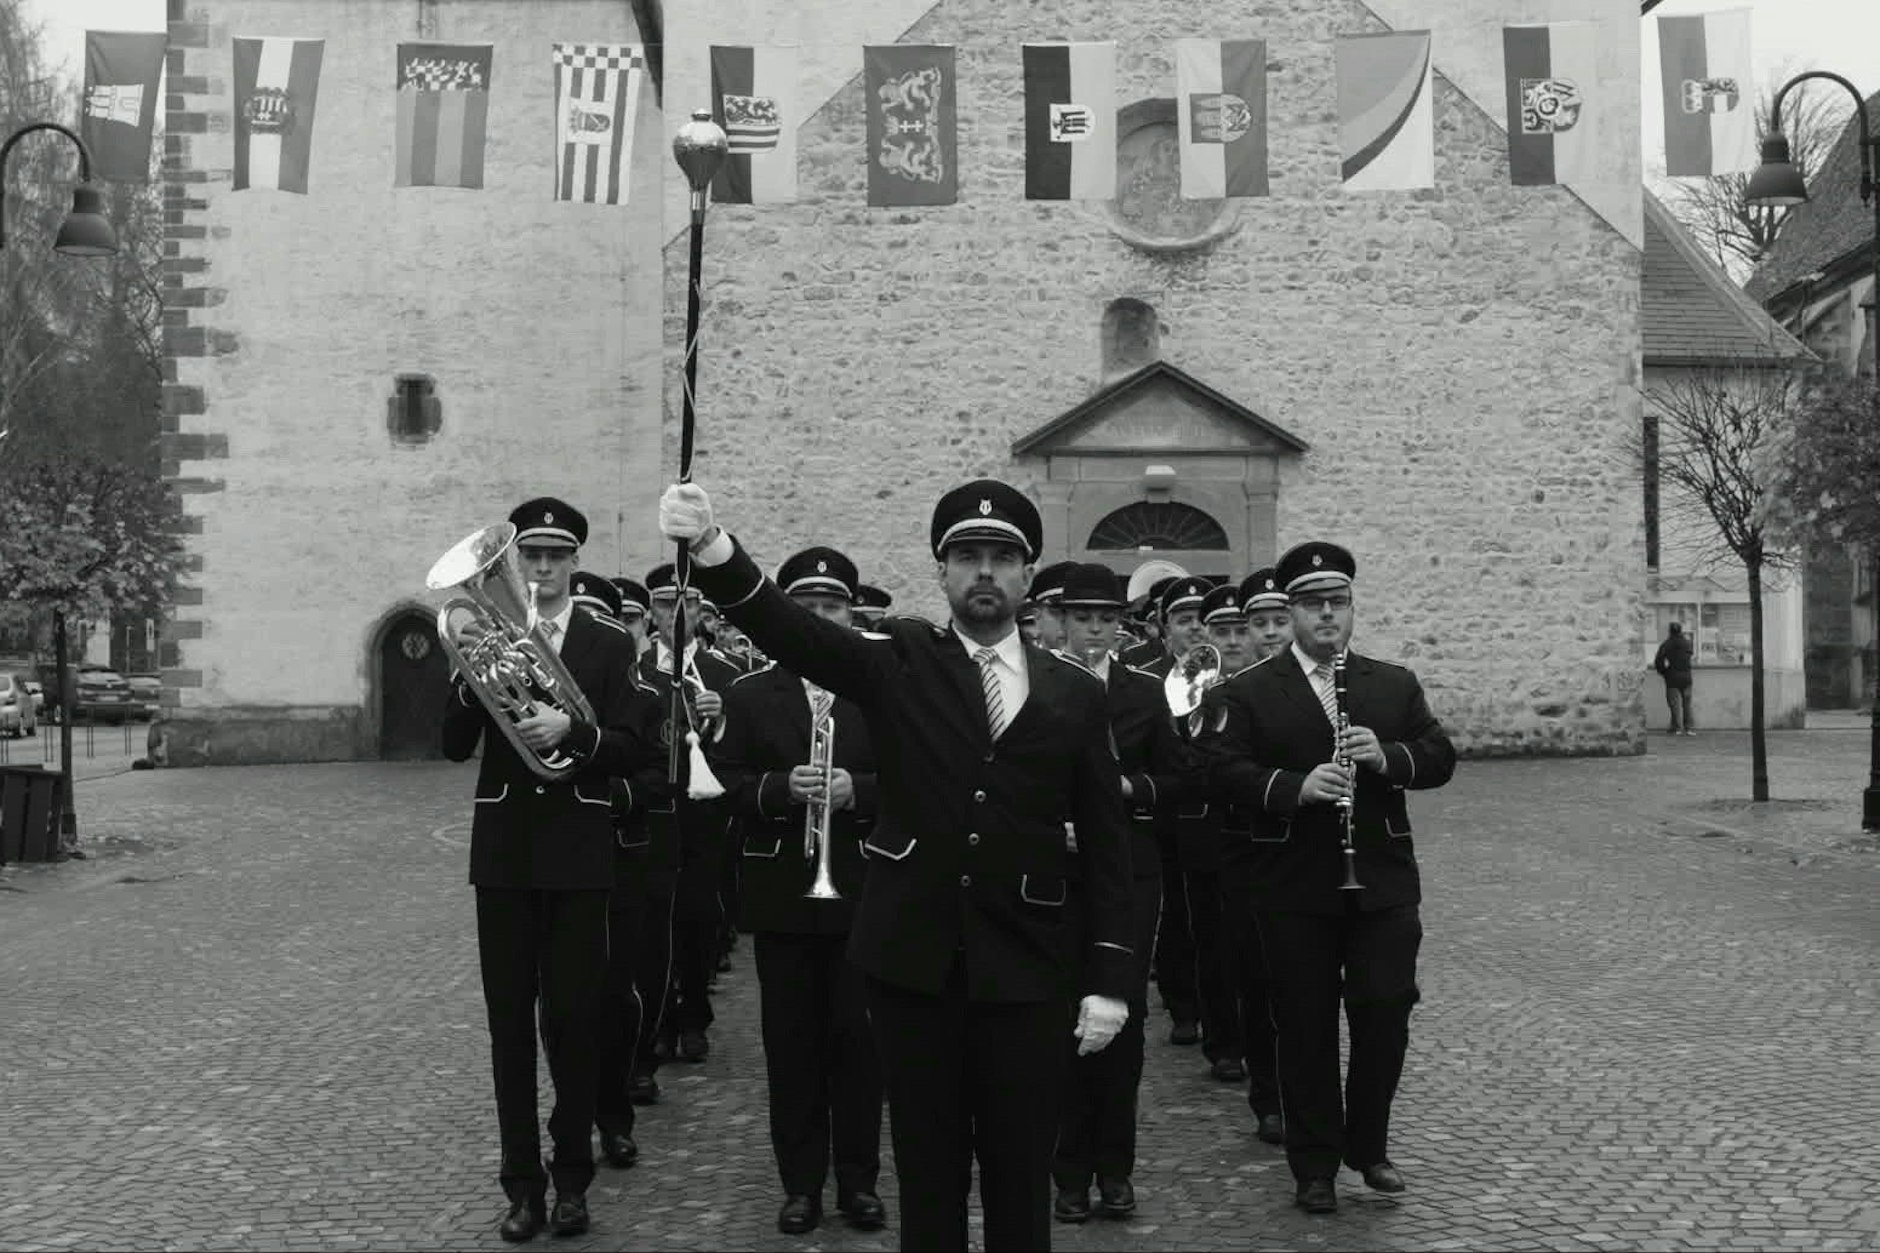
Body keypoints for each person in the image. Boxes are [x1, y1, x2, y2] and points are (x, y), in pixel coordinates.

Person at [660, 477, 1135, 1253]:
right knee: (928, 1175)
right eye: (968, 557)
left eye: (1002, 558)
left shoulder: (1076, 693)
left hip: (1029, 966)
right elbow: (791, 632)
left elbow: (1110, 845)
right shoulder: (901, 660)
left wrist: (1110, 977)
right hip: (916, 967)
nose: (984, 572)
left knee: (1021, 1177)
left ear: (1027, 577)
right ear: (942, 573)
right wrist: (714, 548)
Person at [1203, 541, 1455, 1215]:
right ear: (1290, 612)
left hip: (1382, 880)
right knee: (1306, 1026)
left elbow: (1438, 755)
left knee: (1385, 1008)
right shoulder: (1247, 691)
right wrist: (1292, 785)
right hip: (1293, 885)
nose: (1326, 616)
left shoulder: (1391, 683)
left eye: (1336, 602)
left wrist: (1388, 754)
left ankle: (1368, 1144)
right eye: (1312, 604)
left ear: (1350, 608)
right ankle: (1313, 1163)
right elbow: (1220, 768)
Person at [440, 498, 657, 1242]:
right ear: (513, 564)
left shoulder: (602, 639)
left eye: (553, 557)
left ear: (573, 563)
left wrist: (577, 729)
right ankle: (521, 1187)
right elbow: (449, 743)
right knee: (509, 1026)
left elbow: (636, 743)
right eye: (527, 558)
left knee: (572, 1019)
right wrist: (471, 683)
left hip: (577, 850)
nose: (539, 569)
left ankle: (571, 1180)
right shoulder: (481, 635)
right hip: (503, 852)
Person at [712, 546, 887, 1236]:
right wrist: (780, 788)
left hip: (865, 891)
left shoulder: (880, 692)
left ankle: (859, 1183)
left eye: (831, 608)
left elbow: (922, 784)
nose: (818, 619)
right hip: (784, 895)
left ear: (852, 614)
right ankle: (801, 1185)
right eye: (804, 609)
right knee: (790, 1048)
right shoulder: (749, 695)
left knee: (860, 1046)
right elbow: (716, 786)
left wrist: (860, 790)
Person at [1049, 563, 1182, 1224]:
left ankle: (1115, 1169)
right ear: (1063, 621)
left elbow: (1180, 779)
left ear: (1122, 625)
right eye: (1082, 618)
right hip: (1060, 873)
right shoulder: (1039, 685)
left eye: (1106, 618)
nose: (1095, 629)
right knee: (1063, 1019)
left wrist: (1131, 792)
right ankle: (1067, 1171)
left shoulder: (1146, 690)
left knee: (1122, 1019)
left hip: (1130, 871)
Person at [641, 563, 742, 1065]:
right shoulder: (635, 671)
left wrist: (721, 721)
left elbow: (744, 752)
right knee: (654, 919)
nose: (676, 614)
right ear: (650, 614)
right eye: (664, 603)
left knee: (701, 916)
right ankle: (658, 1019)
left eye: (687, 604)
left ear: (701, 612)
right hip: (651, 811)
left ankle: (695, 1013)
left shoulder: (725, 674)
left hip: (705, 814)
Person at [1210, 566, 1292, 1146]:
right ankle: (1270, 1097)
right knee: (1261, 978)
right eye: (1256, 623)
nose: (1265, 633)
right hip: (1245, 848)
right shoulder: (1226, 692)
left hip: (1308, 853)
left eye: (1277, 621)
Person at [1147, 575, 1212, 1047]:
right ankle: (1182, 1005)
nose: (1195, 629)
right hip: (1168, 813)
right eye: (1183, 620)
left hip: (1217, 811)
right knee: (1173, 914)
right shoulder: (1147, 676)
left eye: (1201, 620)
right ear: (1165, 628)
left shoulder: (1228, 674)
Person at [1653, 622, 1695, 736]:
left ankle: (1676, 728)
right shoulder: (1687, 643)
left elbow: (1658, 660)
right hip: (1687, 678)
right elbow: (1691, 655)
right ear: (1680, 630)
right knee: (1687, 704)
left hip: (1672, 678)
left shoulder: (1667, 644)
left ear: (1670, 631)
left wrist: (1664, 672)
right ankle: (1689, 728)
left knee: (1674, 704)